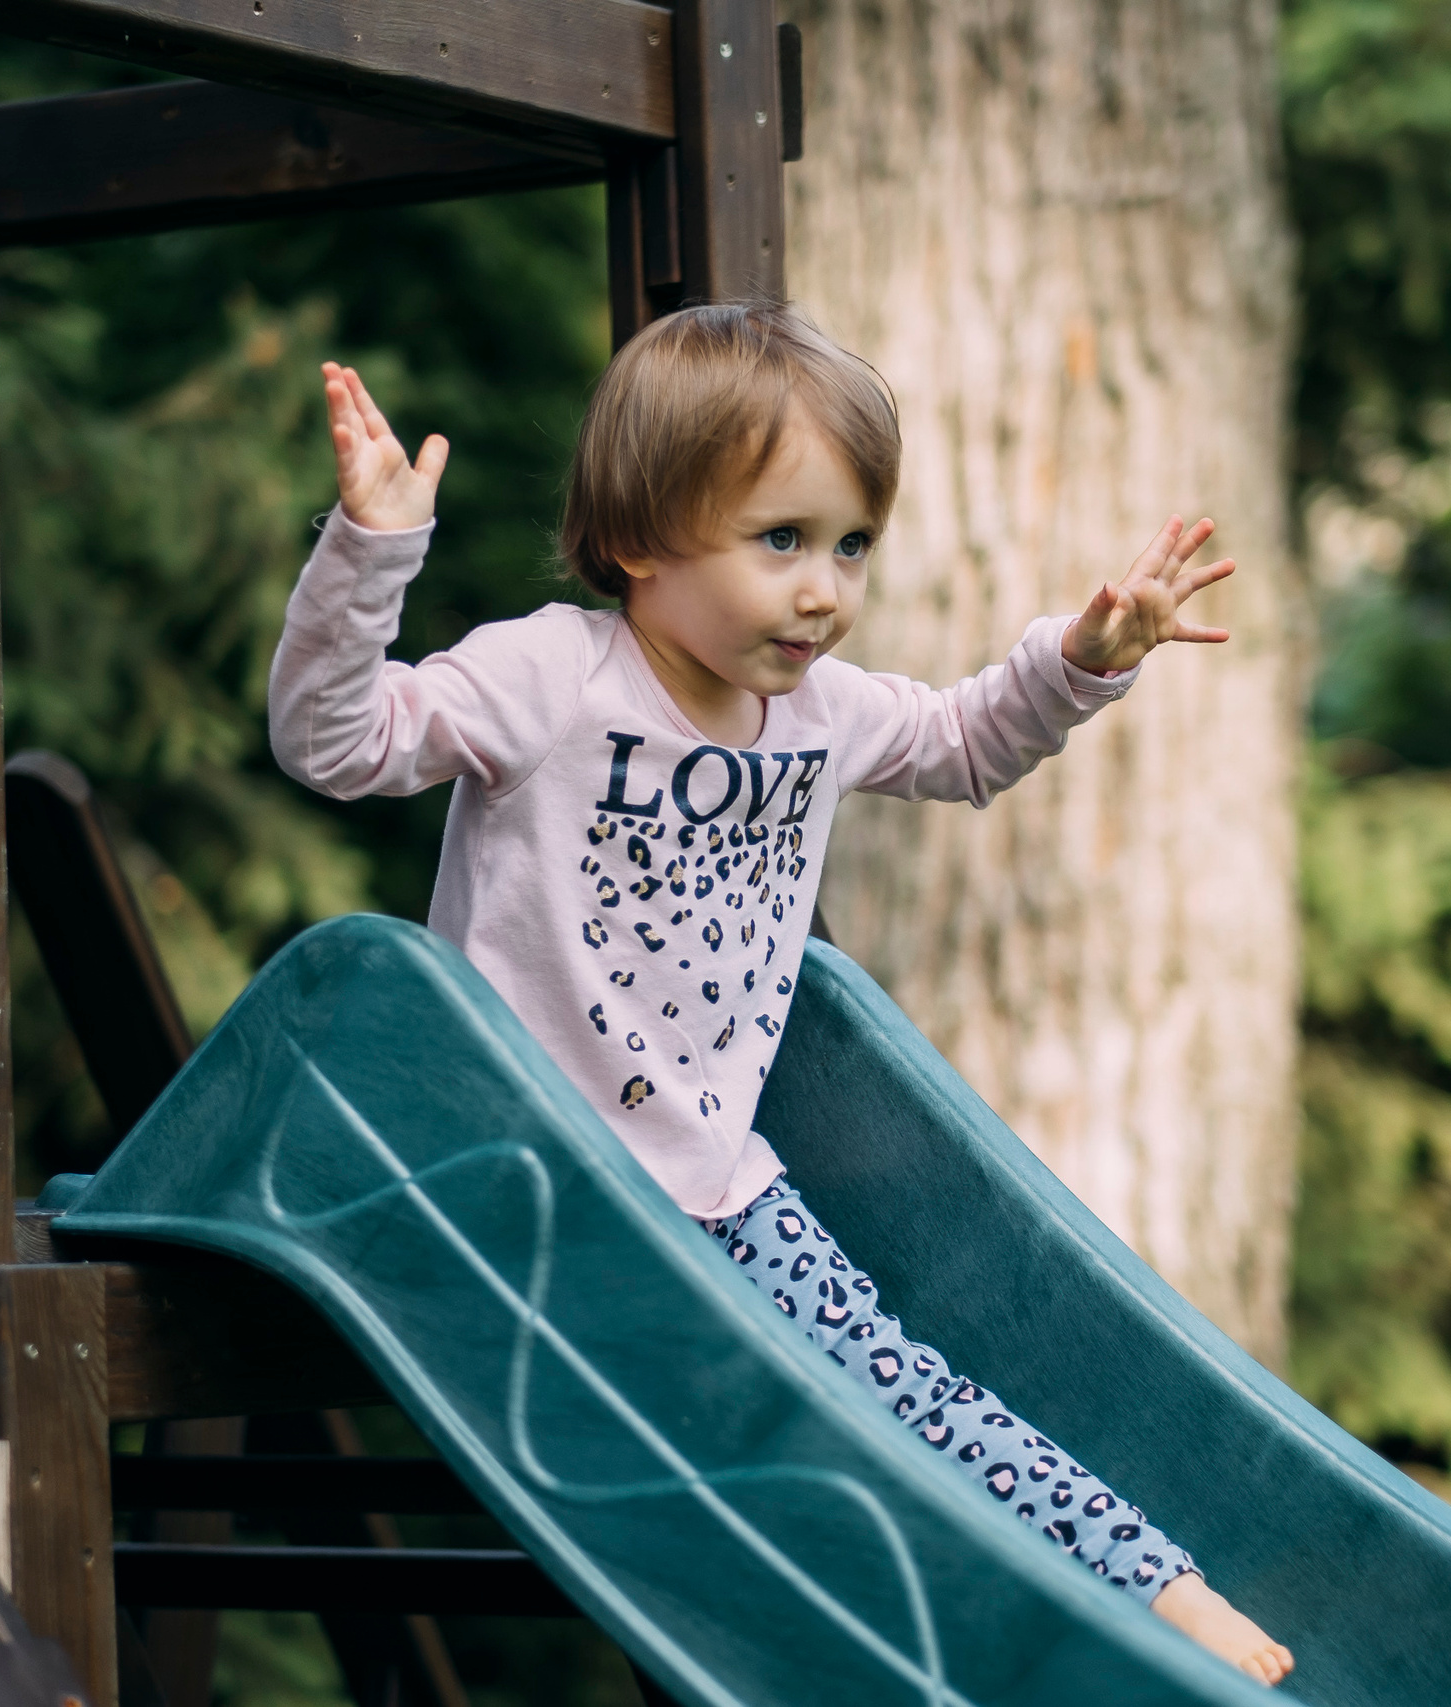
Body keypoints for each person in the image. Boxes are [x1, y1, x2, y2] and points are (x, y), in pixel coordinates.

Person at [268, 303, 1293, 1687]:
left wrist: (1082, 661)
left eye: (851, 544)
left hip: (720, 1194)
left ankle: (1142, 1595)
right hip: (534, 1189)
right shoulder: (555, 677)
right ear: (640, 537)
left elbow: (964, 742)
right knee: (806, 1443)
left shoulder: (818, 718)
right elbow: (336, 740)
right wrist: (373, 552)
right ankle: (1113, 1615)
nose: (826, 589)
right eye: (781, 542)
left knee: (893, 1396)